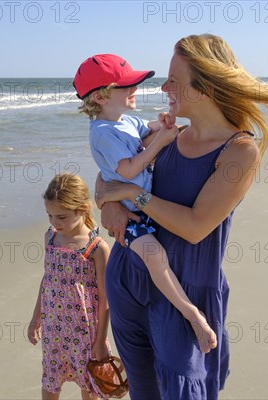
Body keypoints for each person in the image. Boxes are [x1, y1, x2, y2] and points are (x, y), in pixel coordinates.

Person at [94, 34, 268, 399]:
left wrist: (133, 195)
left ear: (205, 88)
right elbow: (109, 173)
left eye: (174, 81)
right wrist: (109, 204)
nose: (164, 87)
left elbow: (196, 226)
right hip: (128, 279)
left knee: (186, 390)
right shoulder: (168, 134)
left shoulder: (239, 152)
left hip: (186, 294)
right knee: (143, 390)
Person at [74, 53, 217, 353]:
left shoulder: (123, 120)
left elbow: (145, 129)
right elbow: (127, 170)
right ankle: (191, 313)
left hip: (142, 203)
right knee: (155, 257)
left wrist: (160, 125)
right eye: (126, 86)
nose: (134, 89)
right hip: (133, 212)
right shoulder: (102, 133)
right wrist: (161, 143)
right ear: (100, 96)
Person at [28, 173, 112, 400]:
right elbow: (47, 279)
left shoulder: (97, 247)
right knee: (51, 380)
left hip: (85, 331)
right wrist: (36, 318)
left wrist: (101, 340)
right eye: (50, 216)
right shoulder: (51, 238)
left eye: (61, 217)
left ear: (83, 208)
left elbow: (106, 298)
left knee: (89, 383)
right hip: (54, 327)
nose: (55, 223)